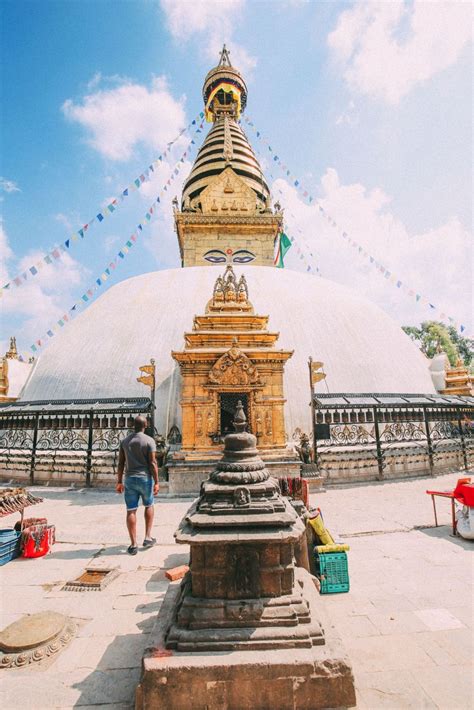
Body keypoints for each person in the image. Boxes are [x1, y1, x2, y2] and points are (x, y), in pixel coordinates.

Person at [116, 415, 159, 555]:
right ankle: (147, 537)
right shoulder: (149, 441)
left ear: (133, 425)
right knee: (149, 505)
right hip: (145, 479)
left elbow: (121, 463)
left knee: (131, 510)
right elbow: (153, 463)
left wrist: (119, 481)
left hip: (129, 479)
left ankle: (133, 544)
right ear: (145, 425)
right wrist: (157, 482)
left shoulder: (125, 441)